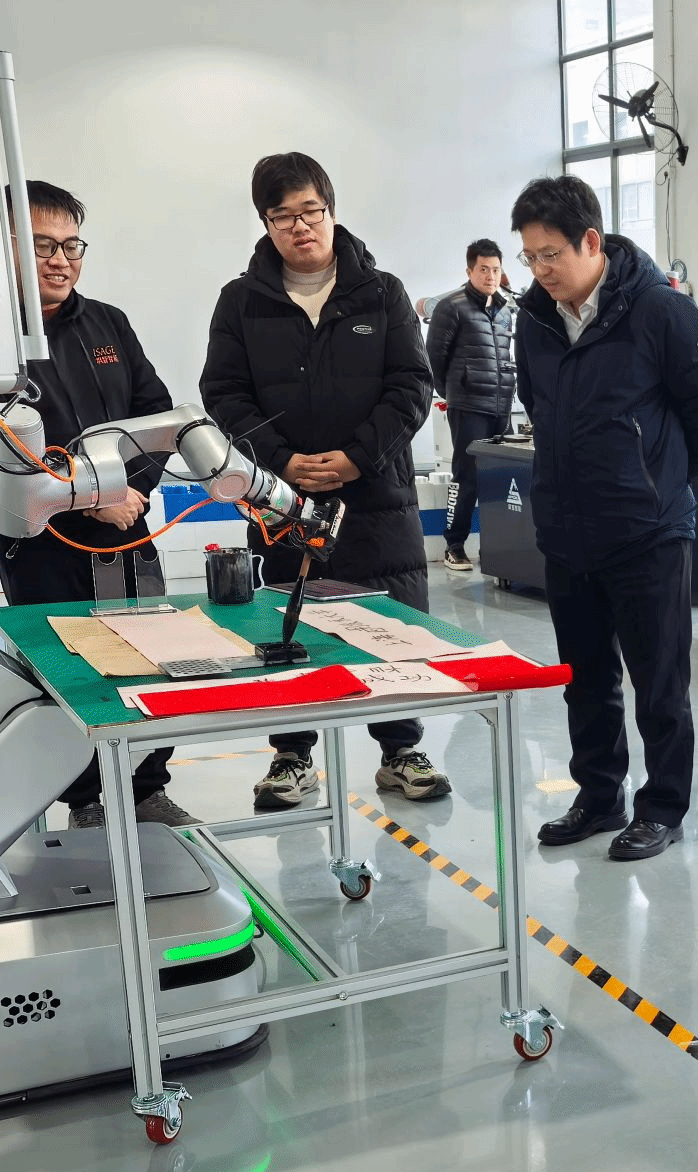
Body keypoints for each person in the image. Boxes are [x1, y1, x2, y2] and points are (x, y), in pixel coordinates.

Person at [202, 152, 448, 811]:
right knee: (286, 622)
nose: (299, 226)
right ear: (266, 223)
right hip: (283, 500)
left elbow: (412, 385)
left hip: (376, 495)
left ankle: (401, 748)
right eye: (281, 215)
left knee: (391, 618)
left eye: (310, 210)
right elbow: (223, 392)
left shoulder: (383, 293)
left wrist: (358, 457)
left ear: (331, 211)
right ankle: (291, 754)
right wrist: (281, 460)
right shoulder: (241, 302)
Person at [510, 175, 698, 861]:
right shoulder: (535, 319)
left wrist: (658, 481)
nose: (541, 270)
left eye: (551, 254)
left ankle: (662, 806)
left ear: (591, 241)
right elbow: (539, 407)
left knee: (659, 681)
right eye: (530, 256)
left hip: (649, 533)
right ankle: (599, 794)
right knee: (585, 680)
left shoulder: (660, 311)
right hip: (567, 530)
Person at [0, 180, 193, 832]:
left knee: (151, 660)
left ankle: (146, 787)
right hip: (44, 543)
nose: (60, 260)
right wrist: (94, 496)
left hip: (129, 528)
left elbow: (156, 416)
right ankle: (84, 799)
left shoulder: (108, 323)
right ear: (4, 247)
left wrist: (131, 491)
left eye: (71, 245)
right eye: (42, 246)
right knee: (66, 672)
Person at [426, 239, 518, 572]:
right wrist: (453, 393)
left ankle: (501, 548)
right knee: (467, 476)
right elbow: (433, 359)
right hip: (468, 405)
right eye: (483, 269)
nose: (491, 276)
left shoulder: (506, 310)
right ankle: (454, 546)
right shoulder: (451, 307)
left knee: (503, 476)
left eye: (495, 269)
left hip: (502, 405)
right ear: (469, 271)